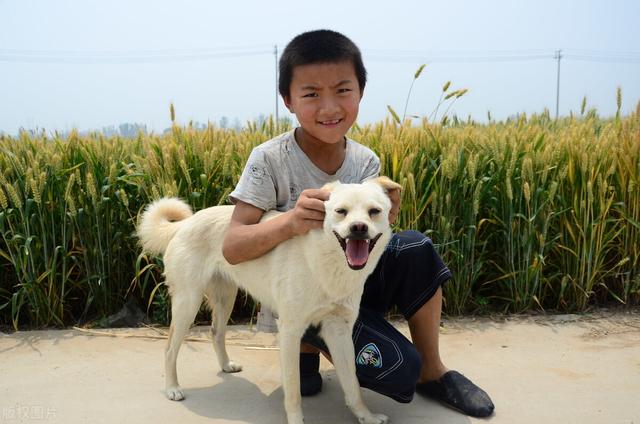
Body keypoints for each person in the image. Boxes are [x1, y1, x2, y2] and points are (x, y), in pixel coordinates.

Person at [222, 29, 494, 418]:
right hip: (298, 301)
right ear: (288, 100)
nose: (329, 106)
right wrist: (291, 222)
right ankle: (308, 348)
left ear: (361, 93)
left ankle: (434, 373)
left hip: (348, 294)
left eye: (343, 90)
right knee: (336, 379)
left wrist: (380, 217)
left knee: (415, 249)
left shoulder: (365, 162)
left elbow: (367, 233)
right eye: (311, 93)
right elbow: (233, 247)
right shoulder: (268, 159)